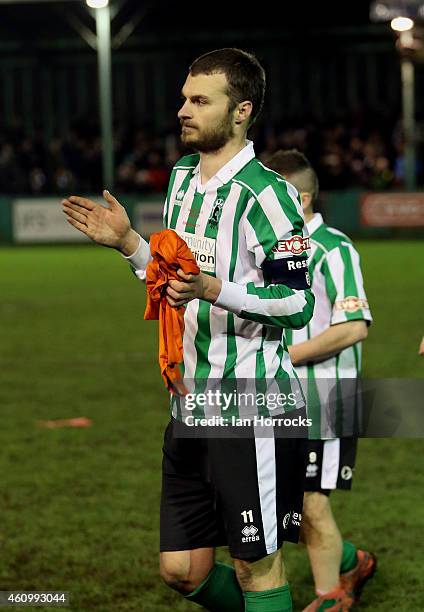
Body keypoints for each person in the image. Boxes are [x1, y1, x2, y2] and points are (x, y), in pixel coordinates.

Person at [62, 49, 315, 612]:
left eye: (200, 100)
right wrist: (131, 244)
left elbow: (297, 303)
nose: (183, 109)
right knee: (182, 570)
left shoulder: (269, 198)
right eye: (183, 97)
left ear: (242, 110)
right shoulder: (181, 178)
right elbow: (174, 276)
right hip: (190, 400)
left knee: (257, 565)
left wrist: (212, 289)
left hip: (251, 403)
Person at [266, 149, 376, 611]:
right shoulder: (276, 251)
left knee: (309, 500)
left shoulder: (333, 248)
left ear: (304, 199)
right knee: (286, 500)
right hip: (282, 396)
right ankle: (352, 559)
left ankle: (331, 597)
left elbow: (354, 326)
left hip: (328, 397)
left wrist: (286, 354)